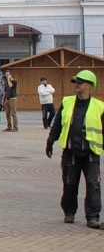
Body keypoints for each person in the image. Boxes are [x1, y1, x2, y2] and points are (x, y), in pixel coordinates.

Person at [46, 69, 104, 229]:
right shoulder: (67, 102)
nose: (76, 84)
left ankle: (93, 217)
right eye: (76, 82)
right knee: (70, 183)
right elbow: (57, 124)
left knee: (93, 185)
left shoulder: (100, 107)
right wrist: (50, 141)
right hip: (71, 151)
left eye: (79, 82)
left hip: (91, 152)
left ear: (89, 85)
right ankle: (69, 213)